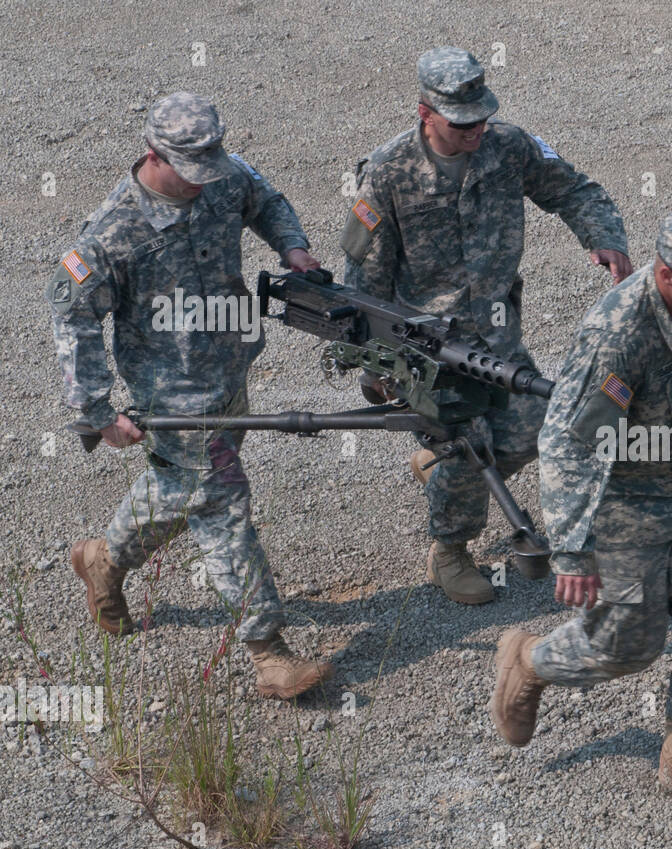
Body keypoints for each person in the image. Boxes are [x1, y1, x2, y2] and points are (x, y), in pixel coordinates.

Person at [48, 92, 334, 700]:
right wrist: (97, 411)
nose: (207, 183)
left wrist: (292, 246)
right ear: (153, 155)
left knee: (183, 490)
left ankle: (103, 559)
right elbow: (70, 317)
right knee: (220, 499)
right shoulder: (111, 234)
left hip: (230, 371)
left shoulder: (221, 175)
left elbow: (266, 199)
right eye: (191, 172)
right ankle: (269, 652)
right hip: (171, 396)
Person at [341, 46, 631, 605]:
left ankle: (441, 465)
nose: (476, 128)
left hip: (496, 335)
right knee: (467, 446)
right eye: (461, 120)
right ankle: (448, 551)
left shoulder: (509, 147)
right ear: (425, 112)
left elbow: (574, 189)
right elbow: (363, 280)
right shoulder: (387, 174)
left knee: (540, 428)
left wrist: (603, 236)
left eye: (481, 116)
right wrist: (372, 364)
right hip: (424, 345)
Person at [490, 206, 672, 798]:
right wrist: (573, 552)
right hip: (621, 505)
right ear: (666, 275)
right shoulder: (616, 335)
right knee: (626, 644)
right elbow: (567, 442)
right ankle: (530, 660)